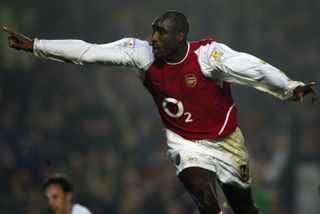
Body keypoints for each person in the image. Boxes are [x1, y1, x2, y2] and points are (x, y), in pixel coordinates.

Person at [3, 10, 317, 214]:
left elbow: (251, 68)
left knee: (244, 208)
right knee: (208, 204)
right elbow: (88, 51)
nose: (154, 38)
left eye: (161, 33)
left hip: (227, 142)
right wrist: (36, 45)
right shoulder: (141, 54)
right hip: (184, 143)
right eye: (153, 31)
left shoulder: (209, 56)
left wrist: (290, 88)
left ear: (180, 37)